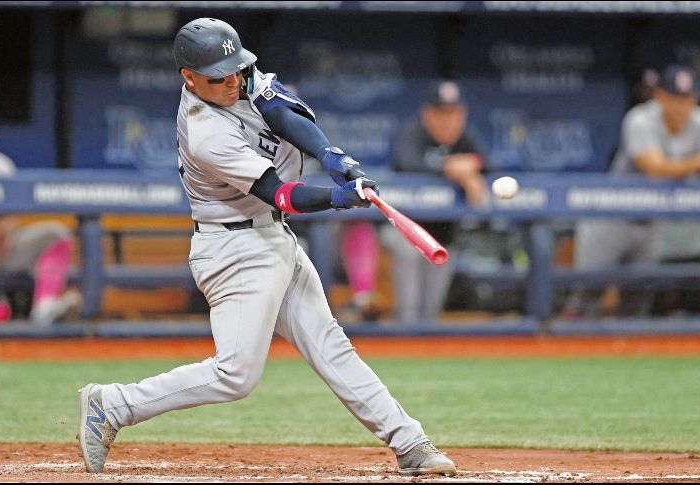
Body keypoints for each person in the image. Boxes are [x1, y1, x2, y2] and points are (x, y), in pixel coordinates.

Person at [77, 18, 456, 477]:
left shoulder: (236, 76)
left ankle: (410, 443)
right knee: (236, 374)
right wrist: (338, 197)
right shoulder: (205, 133)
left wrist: (334, 157)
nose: (233, 81)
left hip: (271, 239)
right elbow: (281, 194)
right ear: (188, 78)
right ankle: (112, 406)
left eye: (236, 69)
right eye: (219, 76)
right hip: (234, 251)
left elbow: (281, 113)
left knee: (331, 346)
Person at [567, 65, 700, 317]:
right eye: (673, 98)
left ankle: (628, 353)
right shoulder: (640, 119)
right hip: (611, 216)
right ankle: (566, 346)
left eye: (686, 98)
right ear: (659, 96)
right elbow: (654, 167)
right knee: (589, 291)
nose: (680, 105)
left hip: (650, 220)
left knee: (638, 298)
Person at [383, 80, 488, 325]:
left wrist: (472, 164)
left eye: (453, 114)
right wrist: (450, 166)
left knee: (430, 313)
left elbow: (489, 163)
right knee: (409, 309)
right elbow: (408, 163)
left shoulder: (465, 136)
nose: (448, 121)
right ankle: (404, 331)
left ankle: (423, 340)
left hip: (443, 234)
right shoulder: (412, 132)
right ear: (427, 113)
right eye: (441, 113)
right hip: (403, 230)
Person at [0, 102, 78, 325]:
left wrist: (3, 231)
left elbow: (9, 215)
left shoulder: (1, 165)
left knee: (55, 233)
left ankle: (44, 306)